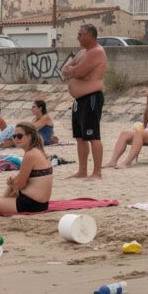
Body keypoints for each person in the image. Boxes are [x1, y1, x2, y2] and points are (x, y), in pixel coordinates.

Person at [60, 23, 107, 180]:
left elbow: (78, 71)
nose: (77, 37)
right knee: (80, 137)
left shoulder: (96, 52)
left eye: (80, 34)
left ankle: (97, 172)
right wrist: (74, 72)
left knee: (92, 136)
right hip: (79, 100)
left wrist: (74, 71)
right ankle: (82, 170)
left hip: (91, 97)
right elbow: (65, 70)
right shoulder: (82, 53)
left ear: (89, 35)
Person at [103, 72, 148, 168]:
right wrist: (144, 125)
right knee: (124, 133)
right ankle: (113, 161)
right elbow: (147, 110)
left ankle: (127, 162)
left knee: (139, 133)